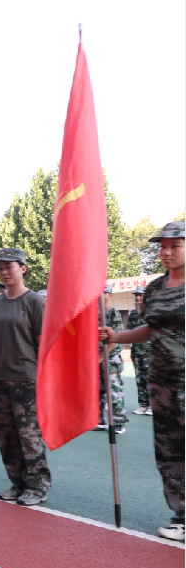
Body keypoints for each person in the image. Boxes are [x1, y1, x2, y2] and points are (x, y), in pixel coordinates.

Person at [100, 220, 184, 541]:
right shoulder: (154, 289)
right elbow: (153, 328)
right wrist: (118, 336)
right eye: (162, 246)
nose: (166, 251)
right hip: (162, 382)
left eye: (174, 245)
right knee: (170, 452)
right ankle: (182, 516)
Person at [0, 248, 49, 507]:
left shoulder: (35, 301)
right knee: (5, 435)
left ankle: (37, 485)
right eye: (0, 267)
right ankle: (17, 482)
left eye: (9, 266)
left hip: (25, 378)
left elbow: (43, 345)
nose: (4, 271)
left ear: (23, 268)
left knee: (28, 434)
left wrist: (43, 380)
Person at [97, 285, 126, 433]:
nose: (100, 295)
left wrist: (102, 356)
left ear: (110, 295)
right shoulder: (90, 314)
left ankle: (118, 422)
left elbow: (116, 337)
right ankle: (99, 420)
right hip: (95, 358)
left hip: (111, 357)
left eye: (104, 293)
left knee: (114, 389)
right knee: (97, 390)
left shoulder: (114, 313)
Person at [128, 286, 152, 415]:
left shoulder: (151, 311)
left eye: (140, 295)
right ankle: (143, 404)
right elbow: (130, 331)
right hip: (137, 350)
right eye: (136, 295)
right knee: (139, 378)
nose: (138, 297)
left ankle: (152, 406)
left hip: (149, 351)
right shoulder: (133, 313)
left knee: (150, 378)